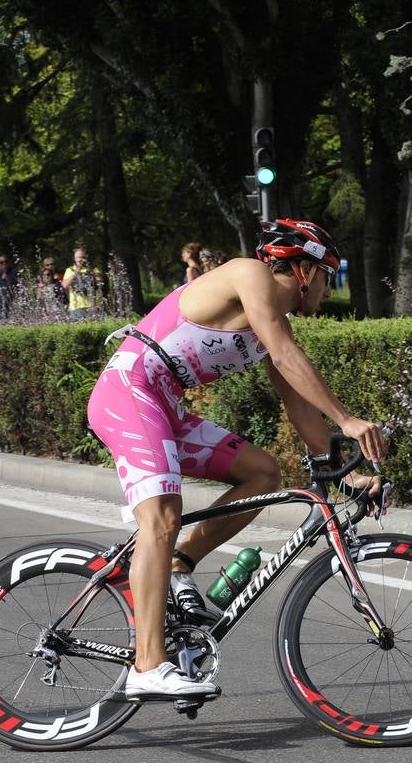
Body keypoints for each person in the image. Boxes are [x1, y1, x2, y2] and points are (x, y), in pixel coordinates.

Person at [86, 218, 387, 699]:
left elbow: (298, 406)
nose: (330, 290)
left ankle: (181, 565)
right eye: (330, 275)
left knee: (262, 473)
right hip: (130, 390)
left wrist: (341, 477)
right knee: (161, 517)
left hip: (163, 405)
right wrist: (349, 420)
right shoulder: (250, 274)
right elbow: (288, 357)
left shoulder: (274, 320)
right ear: (305, 270)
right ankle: (148, 665)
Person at [61, 247, 103, 320]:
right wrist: (77, 271)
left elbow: (100, 281)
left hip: (93, 306)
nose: (82, 259)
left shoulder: (93, 269)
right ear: (75, 259)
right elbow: (65, 285)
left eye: (83, 257)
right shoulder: (70, 270)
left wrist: (90, 270)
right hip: (76, 307)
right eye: (79, 257)